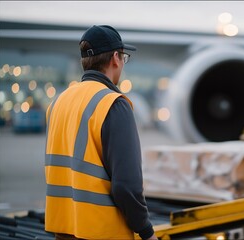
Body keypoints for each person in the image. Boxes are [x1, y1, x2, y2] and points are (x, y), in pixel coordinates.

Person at [44, 25, 157, 240]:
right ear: (116, 58)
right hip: (102, 232)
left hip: (64, 229)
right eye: (124, 57)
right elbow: (127, 186)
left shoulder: (58, 102)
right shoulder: (112, 104)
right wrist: (146, 231)